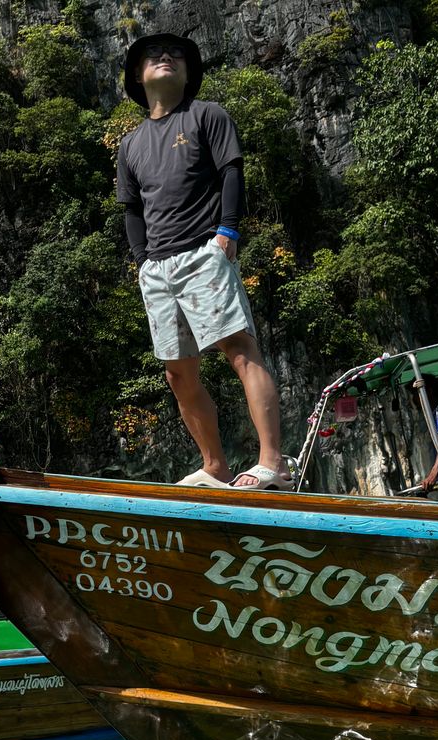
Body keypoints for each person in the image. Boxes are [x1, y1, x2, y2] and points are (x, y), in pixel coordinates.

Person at [117, 32, 292, 491]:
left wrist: (227, 231)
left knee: (239, 350)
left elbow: (231, 171)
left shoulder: (206, 115)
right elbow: (132, 209)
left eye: (175, 53)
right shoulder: (130, 144)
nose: (165, 57)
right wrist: (141, 262)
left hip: (204, 251)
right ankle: (215, 467)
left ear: (188, 72)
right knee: (178, 373)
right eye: (153, 55)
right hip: (157, 268)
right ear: (137, 76)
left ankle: (273, 463)